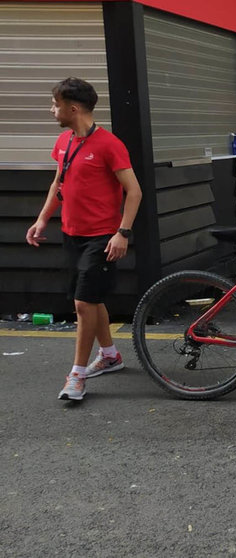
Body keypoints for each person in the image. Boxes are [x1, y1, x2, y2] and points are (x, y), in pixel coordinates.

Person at [26, 77, 143, 402]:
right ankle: (109, 356)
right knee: (91, 300)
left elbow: (134, 191)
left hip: (102, 237)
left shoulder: (109, 144)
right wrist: (42, 219)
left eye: (55, 105)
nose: (52, 111)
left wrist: (123, 232)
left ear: (72, 108)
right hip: (71, 235)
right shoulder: (65, 142)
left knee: (82, 303)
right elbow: (58, 184)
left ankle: (76, 375)